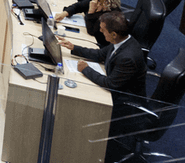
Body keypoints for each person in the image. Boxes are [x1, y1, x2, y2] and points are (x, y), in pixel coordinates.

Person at [58, 11, 146, 162]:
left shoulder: (128, 57)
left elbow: (110, 84)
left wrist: (85, 69)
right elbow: (100, 54)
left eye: (103, 29)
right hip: (118, 92)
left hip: (126, 104)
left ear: (113, 34)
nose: (100, 31)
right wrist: (73, 47)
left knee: (81, 100)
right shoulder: (121, 42)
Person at [55, 0, 121, 47]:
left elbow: (92, 31)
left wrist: (91, 12)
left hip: (99, 44)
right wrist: (65, 13)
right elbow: (78, 6)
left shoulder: (112, 13)